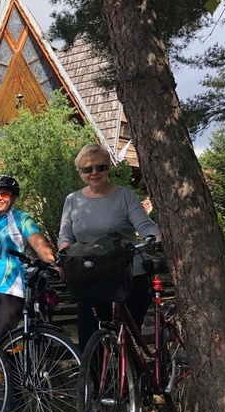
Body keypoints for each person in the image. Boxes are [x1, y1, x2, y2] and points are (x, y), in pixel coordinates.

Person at [58, 144, 161, 352]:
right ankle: (94, 384)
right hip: (90, 276)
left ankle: (135, 381)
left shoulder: (125, 196)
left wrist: (155, 236)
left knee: (129, 340)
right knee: (90, 341)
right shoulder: (72, 200)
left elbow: (143, 224)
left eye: (100, 167)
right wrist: (64, 251)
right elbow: (65, 235)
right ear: (80, 171)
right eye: (87, 169)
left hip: (128, 275)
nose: (94, 173)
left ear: (108, 169)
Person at [0, 175, 57, 343]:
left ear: (13, 197)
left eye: (4, 194)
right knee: (0, 341)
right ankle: (10, 368)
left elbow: (38, 242)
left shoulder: (21, 218)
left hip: (10, 287)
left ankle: (9, 369)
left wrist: (51, 263)